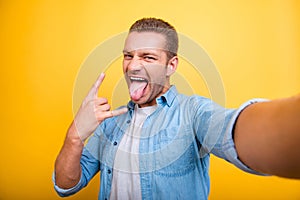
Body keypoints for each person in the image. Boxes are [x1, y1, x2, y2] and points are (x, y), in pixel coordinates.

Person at [53, 18, 300, 199]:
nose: (132, 67)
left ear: (171, 65)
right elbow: (66, 186)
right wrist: (75, 135)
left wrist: (287, 130)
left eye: (148, 57)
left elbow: (231, 130)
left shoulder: (193, 112)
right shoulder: (109, 122)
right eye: (128, 56)